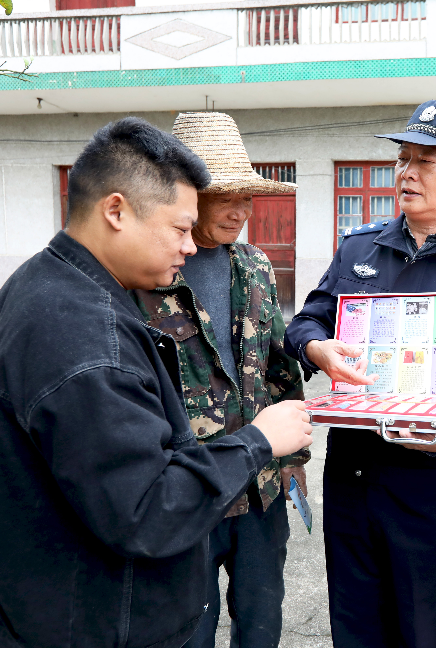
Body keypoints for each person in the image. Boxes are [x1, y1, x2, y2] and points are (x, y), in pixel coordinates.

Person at [0, 117, 313, 648]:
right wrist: (258, 441)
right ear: (116, 211)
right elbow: (146, 510)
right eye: (180, 227)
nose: (188, 246)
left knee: (259, 614)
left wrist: (283, 452)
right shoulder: (88, 330)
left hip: (100, 574)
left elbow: (274, 360)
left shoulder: (55, 284)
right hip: (94, 602)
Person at [284, 100, 436, 648]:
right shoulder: (359, 248)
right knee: (354, 624)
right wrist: (318, 349)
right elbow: (307, 321)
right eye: (403, 159)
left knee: (422, 629)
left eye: (427, 161)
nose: (407, 172)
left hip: (429, 486)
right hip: (352, 476)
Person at [130, 112, 308, 648]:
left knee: (261, 620)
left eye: (246, 197)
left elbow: (280, 364)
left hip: (260, 486)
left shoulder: (255, 265)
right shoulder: (144, 275)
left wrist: (294, 460)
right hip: (189, 492)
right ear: (186, 198)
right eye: (224, 197)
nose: (240, 211)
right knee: (188, 630)